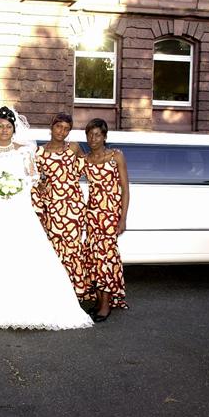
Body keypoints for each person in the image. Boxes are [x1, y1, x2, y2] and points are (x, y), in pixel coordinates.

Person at [0, 106, 93, 330]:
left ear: (13, 129)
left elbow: (33, 177)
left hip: (20, 211)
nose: (4, 130)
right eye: (0, 127)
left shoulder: (25, 151)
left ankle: (34, 304)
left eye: (8, 127)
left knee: (26, 253)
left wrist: (18, 184)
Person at [31, 112, 87, 298]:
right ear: (51, 127)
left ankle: (76, 291)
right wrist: (41, 188)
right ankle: (57, 292)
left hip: (72, 208)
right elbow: (36, 181)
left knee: (72, 248)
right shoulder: (38, 152)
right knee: (54, 249)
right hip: (51, 208)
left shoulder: (73, 147)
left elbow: (87, 166)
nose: (62, 131)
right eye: (58, 127)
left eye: (66, 129)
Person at [81, 118, 130, 322]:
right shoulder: (85, 160)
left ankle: (105, 305)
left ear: (105, 136)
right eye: (90, 135)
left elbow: (125, 189)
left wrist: (123, 219)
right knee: (94, 258)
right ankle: (100, 299)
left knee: (106, 258)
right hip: (92, 215)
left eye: (98, 135)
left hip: (110, 215)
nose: (94, 138)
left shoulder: (116, 156)